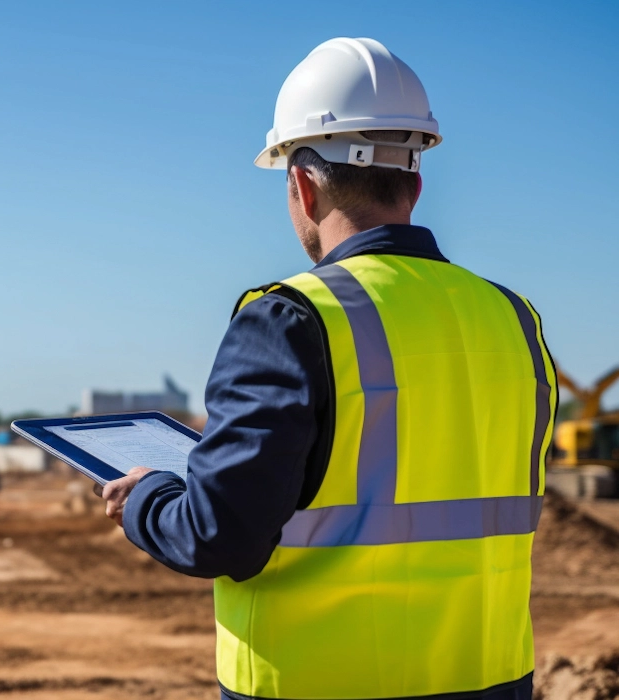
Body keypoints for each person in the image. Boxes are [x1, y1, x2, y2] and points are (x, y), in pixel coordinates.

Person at [99, 37, 556, 700]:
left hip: (321, 685)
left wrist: (145, 496)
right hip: (490, 680)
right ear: (416, 183)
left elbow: (218, 536)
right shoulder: (515, 319)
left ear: (302, 186)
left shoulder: (289, 319)